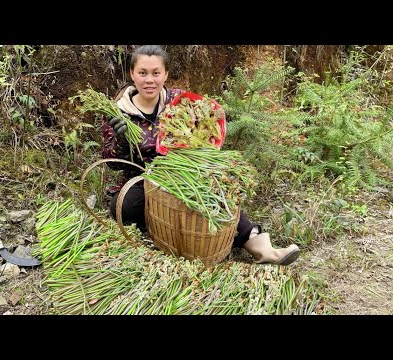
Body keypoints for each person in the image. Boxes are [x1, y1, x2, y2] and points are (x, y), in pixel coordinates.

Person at [101, 45, 300, 266]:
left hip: (185, 171)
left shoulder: (179, 102)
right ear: (132, 74)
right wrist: (120, 138)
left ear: (165, 74)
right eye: (143, 73)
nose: (150, 80)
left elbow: (204, 131)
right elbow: (111, 161)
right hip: (143, 179)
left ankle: (261, 247)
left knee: (216, 191)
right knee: (123, 206)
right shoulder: (119, 111)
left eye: (156, 73)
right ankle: (161, 229)